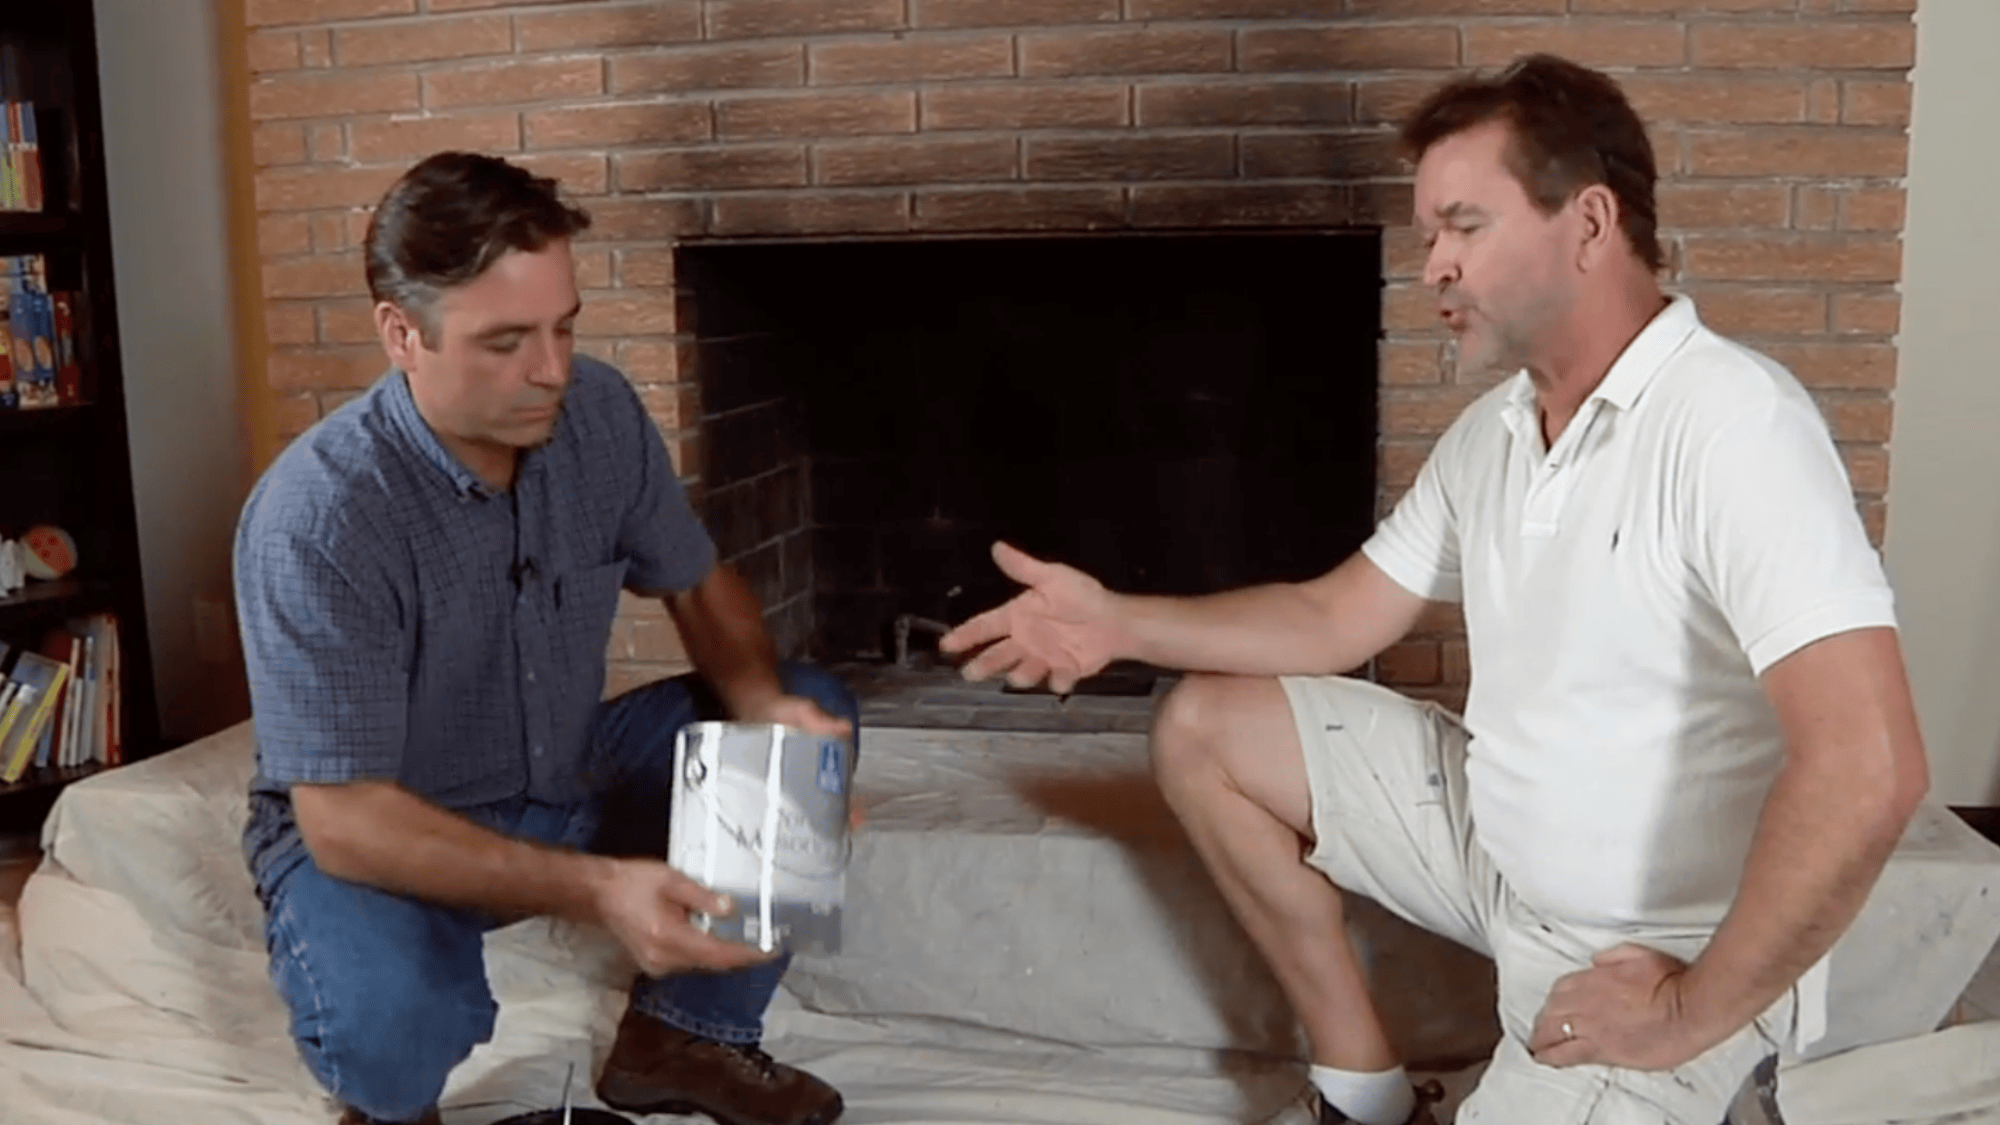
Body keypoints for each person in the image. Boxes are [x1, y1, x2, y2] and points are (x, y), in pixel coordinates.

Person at [940, 53, 1930, 1125]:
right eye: (1426, 238)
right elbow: (1332, 618)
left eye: (1463, 227)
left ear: (1587, 226)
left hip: (1649, 949)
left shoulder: (1732, 425)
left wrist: (1687, 1010)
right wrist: (1117, 623)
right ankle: (1364, 1096)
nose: (1431, 271)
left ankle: (1724, 1076)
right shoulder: (1494, 435)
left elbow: (1867, 767)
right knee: (1206, 726)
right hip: (1503, 855)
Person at [234, 151, 853, 1125]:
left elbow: (694, 582)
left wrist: (766, 709)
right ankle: (387, 1092)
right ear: (401, 334)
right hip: (388, 824)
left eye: (564, 327)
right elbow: (344, 819)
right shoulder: (319, 514)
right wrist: (603, 889)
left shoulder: (597, 409)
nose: (552, 370)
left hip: (564, 773)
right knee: (389, 1046)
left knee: (807, 706)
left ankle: (685, 1039)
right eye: (505, 341)